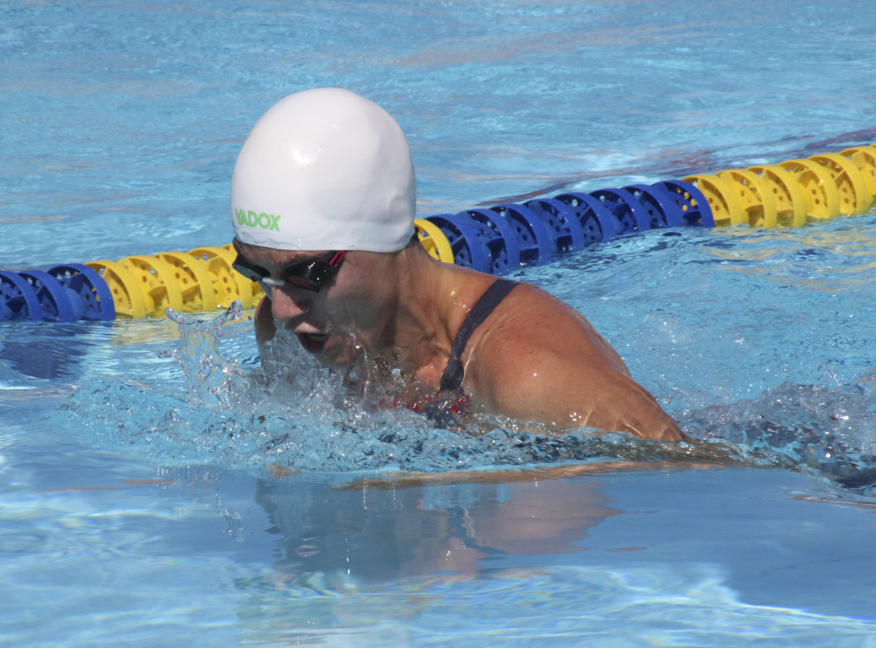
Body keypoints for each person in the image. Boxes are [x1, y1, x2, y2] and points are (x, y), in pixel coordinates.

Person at [229, 88, 683, 441]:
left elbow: (694, 472)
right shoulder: (288, 331)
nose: (283, 310)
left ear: (382, 237)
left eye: (308, 274)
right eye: (257, 273)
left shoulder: (527, 376)